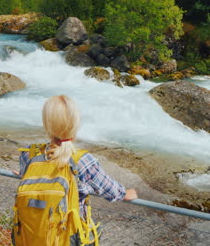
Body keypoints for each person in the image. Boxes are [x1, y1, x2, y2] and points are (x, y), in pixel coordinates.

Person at [14, 95, 137, 245]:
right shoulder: (82, 160)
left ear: (47, 123)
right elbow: (112, 190)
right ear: (75, 123)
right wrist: (128, 193)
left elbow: (30, 177)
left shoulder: (29, 153)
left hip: (31, 236)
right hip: (68, 238)